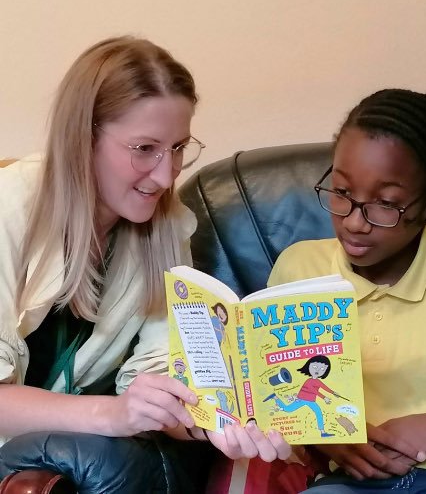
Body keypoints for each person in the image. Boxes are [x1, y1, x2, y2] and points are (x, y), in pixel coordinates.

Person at [0, 36, 288, 492]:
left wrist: (213, 424)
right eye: (144, 148)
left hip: (60, 456)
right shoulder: (8, 207)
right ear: (83, 138)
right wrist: (114, 414)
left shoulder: (167, 226)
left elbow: (160, 369)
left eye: (177, 147)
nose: (166, 174)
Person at [268, 89, 426, 492]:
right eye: (342, 193)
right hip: (348, 480)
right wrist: (325, 438)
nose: (355, 223)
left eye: (386, 203)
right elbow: (279, 396)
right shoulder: (299, 269)